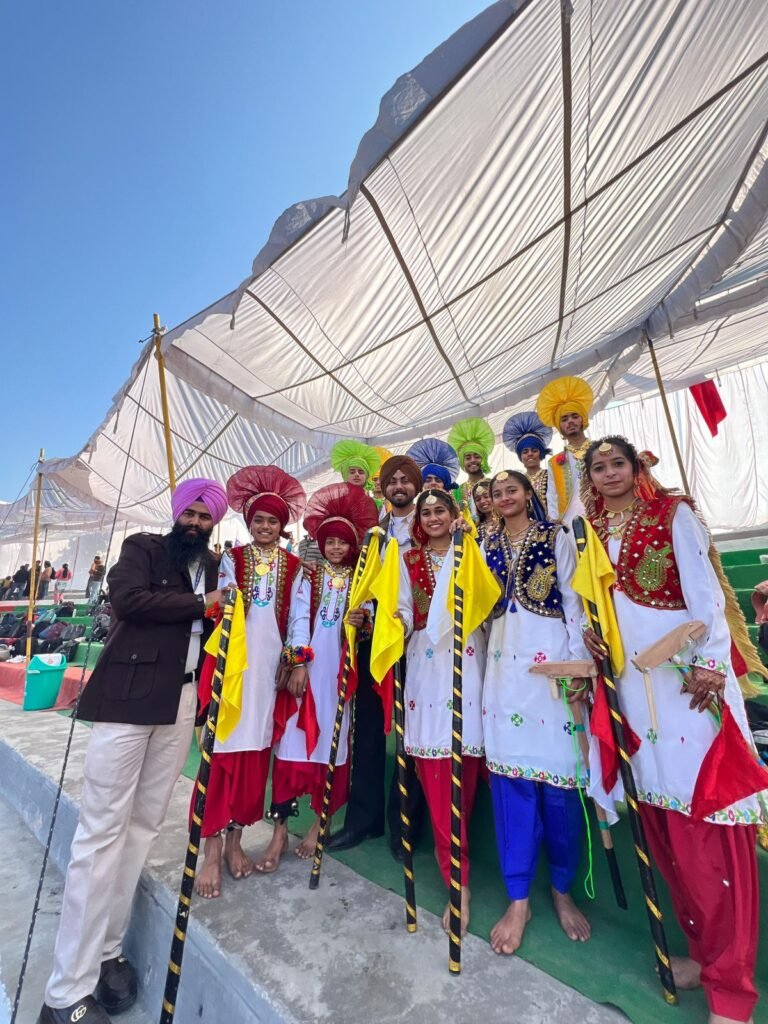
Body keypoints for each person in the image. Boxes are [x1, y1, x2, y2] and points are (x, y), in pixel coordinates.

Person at [581, 436, 767, 1024]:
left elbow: (704, 595)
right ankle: (701, 958)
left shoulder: (673, 514)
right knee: (665, 833)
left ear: (638, 468)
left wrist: (713, 664)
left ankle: (732, 992)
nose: (609, 474)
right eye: (599, 467)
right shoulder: (588, 531)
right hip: (635, 693)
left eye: (619, 463)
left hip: (690, 687)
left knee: (709, 836)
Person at [37, 478, 227, 1024]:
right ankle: (65, 994)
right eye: (188, 513)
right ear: (176, 514)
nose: (194, 522)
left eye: (204, 516)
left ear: (214, 521)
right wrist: (201, 602)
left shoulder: (215, 567)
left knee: (143, 828)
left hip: (184, 698)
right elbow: (129, 600)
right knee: (100, 835)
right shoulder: (142, 548)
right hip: (129, 697)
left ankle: (105, 951)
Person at [482, 470, 592, 957]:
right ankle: (519, 898)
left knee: (561, 792)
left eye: (512, 490)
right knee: (511, 791)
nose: (504, 498)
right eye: (497, 493)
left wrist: (576, 670)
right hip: (503, 672)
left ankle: (562, 891)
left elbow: (573, 602)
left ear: (529, 494)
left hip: (552, 671)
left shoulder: (556, 536)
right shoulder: (482, 544)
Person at [195, 465, 306, 898]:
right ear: (248, 522)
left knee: (255, 753)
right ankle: (211, 847)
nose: (264, 526)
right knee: (221, 750)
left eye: (272, 521)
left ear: (281, 527)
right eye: (258, 519)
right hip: (232, 667)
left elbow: (299, 619)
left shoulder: (295, 566)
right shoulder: (232, 559)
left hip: (267, 674)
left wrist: (296, 662)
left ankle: (236, 840)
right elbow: (218, 609)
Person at [271, 483, 379, 860]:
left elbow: (369, 625)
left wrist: (362, 620)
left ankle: (321, 824)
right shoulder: (309, 576)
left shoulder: (360, 582)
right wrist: (299, 661)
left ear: (353, 547)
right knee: (290, 744)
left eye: (343, 543)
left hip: (340, 675)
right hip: (308, 669)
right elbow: (298, 619)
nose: (335, 548)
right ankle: (279, 830)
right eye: (330, 541)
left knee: (335, 743)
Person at [328, 455, 426, 856]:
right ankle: (362, 822)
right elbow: (363, 584)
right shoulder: (373, 533)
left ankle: (405, 827)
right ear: (383, 488)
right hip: (373, 640)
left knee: (411, 733)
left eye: (405, 480)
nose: (398, 485)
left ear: (415, 486)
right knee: (367, 731)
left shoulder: (432, 525)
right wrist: (358, 612)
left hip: (418, 641)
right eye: (392, 480)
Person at [398, 488, 485, 934]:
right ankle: (457, 883)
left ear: (454, 514)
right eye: (426, 512)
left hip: (467, 666)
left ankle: (463, 872)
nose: (433, 518)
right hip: (425, 674)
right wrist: (388, 622)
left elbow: (488, 603)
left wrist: (470, 547)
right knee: (437, 787)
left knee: (464, 784)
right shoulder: (406, 560)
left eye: (440, 511)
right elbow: (401, 611)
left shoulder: (473, 550)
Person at [536, 375, 593, 524]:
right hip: (571, 522)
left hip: (601, 514)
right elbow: (552, 495)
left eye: (575, 416)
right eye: (564, 419)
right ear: (559, 426)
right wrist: (555, 522)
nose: (570, 421)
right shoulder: (555, 462)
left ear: (583, 419)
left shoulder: (600, 450)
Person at [502, 410, 553, 507]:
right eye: (525, 452)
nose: (530, 454)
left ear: (541, 453)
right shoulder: (518, 480)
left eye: (534, 450)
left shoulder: (551, 475)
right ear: (520, 456)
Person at [448, 416, 495, 519]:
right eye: (468, 458)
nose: (473, 460)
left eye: (477, 456)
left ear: (484, 459)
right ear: (462, 462)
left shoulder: (494, 484)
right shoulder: (457, 492)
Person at [473, 479, 495, 545]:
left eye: (486, 496)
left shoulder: (506, 523)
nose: (482, 501)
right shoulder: (475, 528)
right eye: (478, 499)